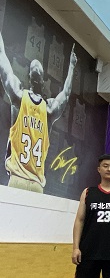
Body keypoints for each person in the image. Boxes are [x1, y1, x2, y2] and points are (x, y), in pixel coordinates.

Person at [0, 31, 77, 193]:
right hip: (34, 184)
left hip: (18, 179)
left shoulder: (20, 97)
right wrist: (71, 66)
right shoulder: (47, 109)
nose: (36, 67)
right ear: (33, 78)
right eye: (34, 67)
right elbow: (66, 93)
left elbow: (3, 60)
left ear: (40, 80)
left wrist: (72, 66)